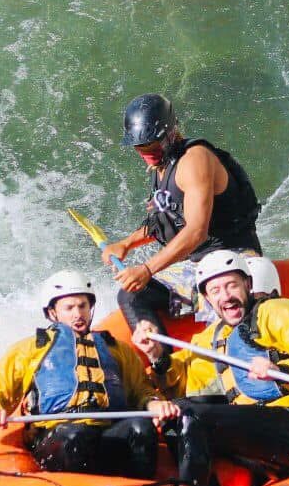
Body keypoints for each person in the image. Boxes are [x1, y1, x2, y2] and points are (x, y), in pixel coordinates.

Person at [131, 250, 289, 486]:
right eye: (216, 291)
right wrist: (156, 355)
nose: (226, 296)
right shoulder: (214, 335)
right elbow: (181, 382)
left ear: (248, 284)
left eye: (232, 285)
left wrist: (283, 370)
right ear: (207, 299)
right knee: (177, 412)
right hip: (258, 429)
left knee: (192, 416)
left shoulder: (276, 311)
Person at [0, 270, 164, 479]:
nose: (78, 314)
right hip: (58, 436)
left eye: (83, 306)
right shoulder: (31, 349)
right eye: (69, 308)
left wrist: (153, 403)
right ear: (53, 312)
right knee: (77, 434)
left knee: (141, 427)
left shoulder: (117, 349)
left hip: (108, 431)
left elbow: (141, 390)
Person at [102, 93, 262, 333]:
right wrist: (126, 244)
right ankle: (159, 354)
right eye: (140, 147)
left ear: (169, 133)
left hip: (234, 257)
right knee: (130, 296)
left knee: (222, 303)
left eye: (152, 145)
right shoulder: (161, 166)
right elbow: (166, 220)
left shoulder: (194, 159)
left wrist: (147, 269)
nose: (147, 152)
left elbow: (197, 231)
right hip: (198, 263)